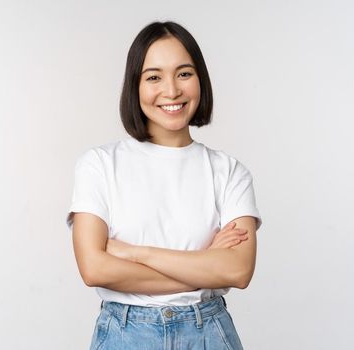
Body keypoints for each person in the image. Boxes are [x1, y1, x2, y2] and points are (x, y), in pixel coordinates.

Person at [66, 21, 262, 349]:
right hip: (126, 334)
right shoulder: (99, 164)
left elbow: (238, 270)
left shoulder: (228, 172)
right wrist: (205, 264)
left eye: (184, 73)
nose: (171, 91)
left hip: (207, 333)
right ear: (135, 86)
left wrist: (134, 253)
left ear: (201, 79)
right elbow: (95, 268)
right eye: (154, 77)